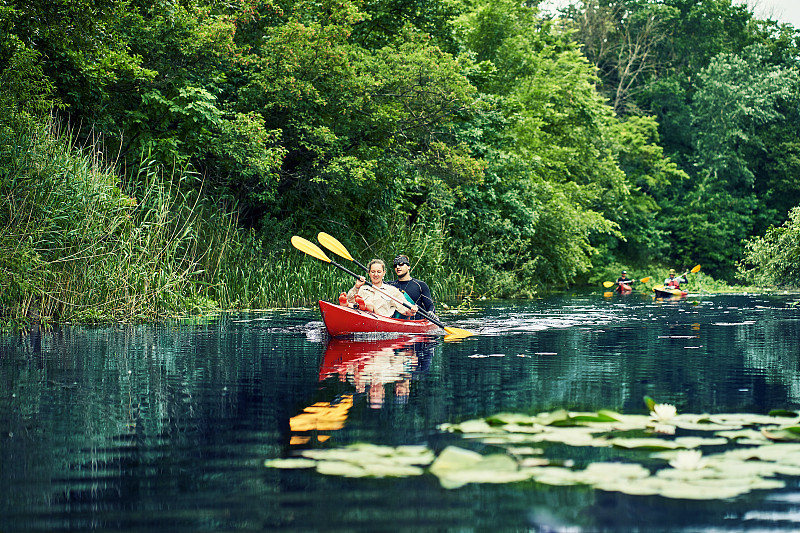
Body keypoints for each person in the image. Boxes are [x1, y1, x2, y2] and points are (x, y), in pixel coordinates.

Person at [346, 259, 418, 318]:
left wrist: (412, 309)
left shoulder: (391, 291)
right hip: (363, 319)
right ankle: (366, 306)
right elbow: (350, 301)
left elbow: (405, 310)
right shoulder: (362, 289)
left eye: (379, 272)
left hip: (382, 321)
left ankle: (369, 307)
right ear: (369, 273)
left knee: (370, 306)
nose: (376, 274)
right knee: (350, 304)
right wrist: (357, 287)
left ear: (384, 273)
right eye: (373, 272)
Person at [388, 254, 435, 320]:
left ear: (408, 267)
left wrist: (431, 313)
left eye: (401, 264)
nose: (398, 267)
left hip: (416, 322)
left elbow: (430, 305)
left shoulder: (420, 285)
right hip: (395, 321)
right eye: (395, 265)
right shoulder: (389, 285)